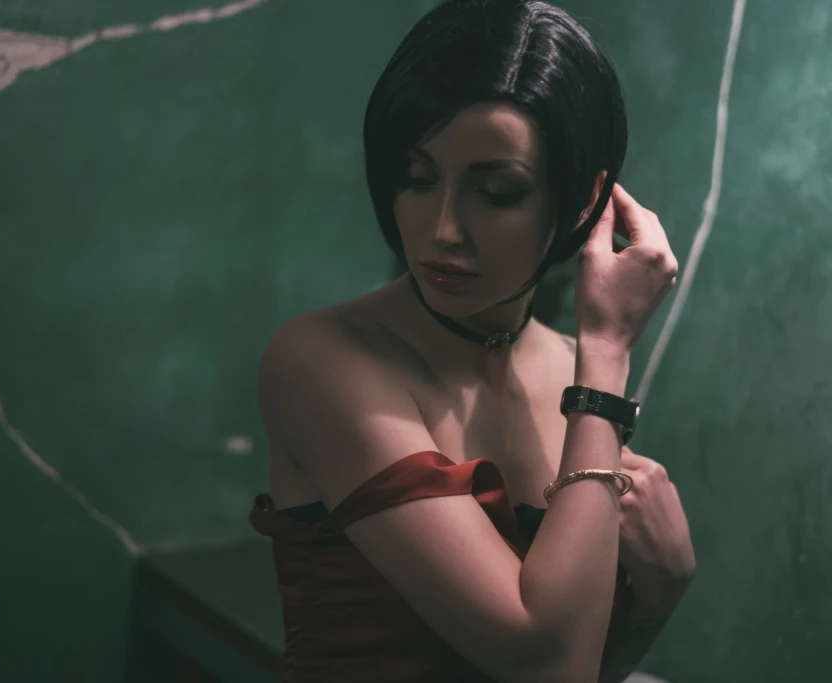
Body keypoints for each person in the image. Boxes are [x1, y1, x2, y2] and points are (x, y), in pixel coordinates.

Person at [250, 1, 695, 681]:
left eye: (496, 191)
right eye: (418, 179)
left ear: (583, 201)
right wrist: (607, 346)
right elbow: (546, 665)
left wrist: (661, 592)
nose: (443, 230)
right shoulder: (322, 359)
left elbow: (584, 664)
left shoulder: (575, 377)